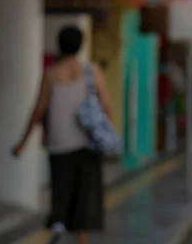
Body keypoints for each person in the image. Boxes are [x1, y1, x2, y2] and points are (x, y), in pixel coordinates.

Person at [12, 26, 113, 244]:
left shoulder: (51, 74)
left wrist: (22, 142)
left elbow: (38, 110)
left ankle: (59, 227)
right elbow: (106, 105)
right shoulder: (92, 71)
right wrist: (104, 131)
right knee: (84, 197)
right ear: (80, 45)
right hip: (86, 144)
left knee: (61, 193)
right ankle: (80, 240)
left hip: (59, 145)